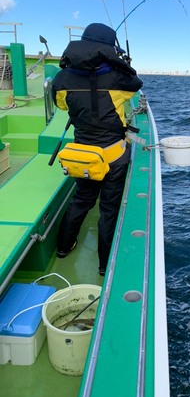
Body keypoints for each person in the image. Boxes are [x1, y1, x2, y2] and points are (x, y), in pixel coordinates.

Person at [52, 23, 143, 276]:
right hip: (113, 155)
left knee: (81, 200)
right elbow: (136, 84)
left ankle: (63, 247)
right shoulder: (117, 77)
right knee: (109, 209)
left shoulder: (61, 79)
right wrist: (121, 61)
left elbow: (61, 105)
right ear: (108, 48)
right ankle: (104, 265)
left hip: (83, 156)